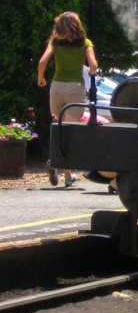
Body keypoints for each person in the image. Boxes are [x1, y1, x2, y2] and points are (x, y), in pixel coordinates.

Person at [37, 12, 98, 188]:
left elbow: (42, 61)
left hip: (57, 87)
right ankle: (56, 164)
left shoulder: (55, 42)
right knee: (70, 132)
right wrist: (91, 72)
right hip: (74, 89)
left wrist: (41, 78)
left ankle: (67, 174)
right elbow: (93, 66)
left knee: (59, 127)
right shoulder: (85, 43)